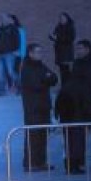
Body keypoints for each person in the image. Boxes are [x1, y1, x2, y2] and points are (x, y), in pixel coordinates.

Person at [54, 39, 91, 174]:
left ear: (87, 49)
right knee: (76, 137)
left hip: (90, 103)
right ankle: (75, 164)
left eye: (80, 49)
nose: (77, 51)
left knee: (89, 134)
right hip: (77, 107)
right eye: (77, 49)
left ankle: (86, 162)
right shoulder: (77, 64)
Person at [20, 43, 58, 171]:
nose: (40, 55)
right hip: (33, 107)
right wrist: (45, 79)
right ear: (30, 53)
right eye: (37, 52)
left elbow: (54, 78)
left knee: (43, 135)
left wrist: (46, 79)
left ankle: (41, 162)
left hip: (44, 106)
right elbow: (35, 85)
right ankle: (30, 163)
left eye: (41, 52)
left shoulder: (41, 66)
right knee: (33, 135)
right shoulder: (26, 68)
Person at [0, 13, 20, 96]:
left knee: (11, 72)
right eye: (2, 18)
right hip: (0, 54)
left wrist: (15, 50)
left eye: (4, 18)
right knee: (0, 73)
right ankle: (2, 91)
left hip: (9, 54)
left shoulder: (13, 28)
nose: (3, 20)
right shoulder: (0, 29)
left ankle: (21, 87)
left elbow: (17, 40)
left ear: (8, 19)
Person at [49, 12, 76, 86]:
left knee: (66, 71)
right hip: (59, 52)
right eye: (60, 18)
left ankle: (68, 87)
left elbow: (71, 38)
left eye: (63, 18)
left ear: (67, 18)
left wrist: (58, 38)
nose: (61, 19)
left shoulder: (70, 27)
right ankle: (64, 87)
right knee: (62, 71)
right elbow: (55, 35)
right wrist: (51, 36)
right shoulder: (58, 26)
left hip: (66, 53)